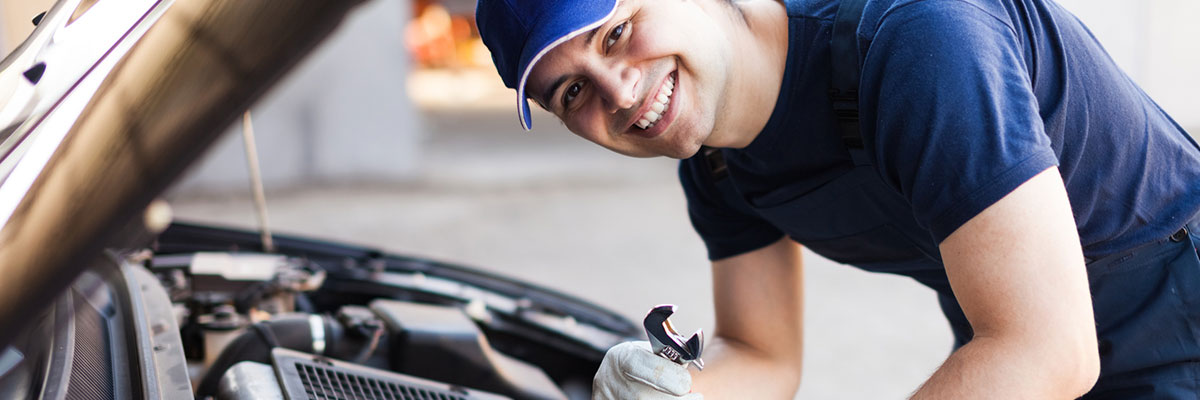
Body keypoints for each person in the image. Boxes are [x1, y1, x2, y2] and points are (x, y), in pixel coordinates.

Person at [473, 0, 1200, 397]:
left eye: (618, 32)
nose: (620, 91)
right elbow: (764, 354)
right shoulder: (719, 167)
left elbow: (1046, 350)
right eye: (572, 93)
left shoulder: (919, 43)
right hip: (1016, 332)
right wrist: (679, 391)